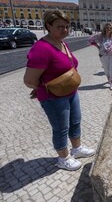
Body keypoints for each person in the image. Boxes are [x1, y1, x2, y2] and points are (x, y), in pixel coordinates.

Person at [23, 10, 95, 171]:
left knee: (75, 121)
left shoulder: (62, 43)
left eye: (67, 26)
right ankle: (63, 158)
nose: (65, 30)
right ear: (48, 26)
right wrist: (42, 87)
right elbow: (29, 80)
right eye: (60, 26)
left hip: (70, 92)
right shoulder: (41, 48)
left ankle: (76, 149)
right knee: (61, 127)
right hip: (53, 96)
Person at [88, 23, 112, 90]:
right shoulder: (100, 35)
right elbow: (90, 39)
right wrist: (97, 46)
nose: (108, 29)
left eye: (110, 28)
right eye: (107, 27)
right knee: (106, 70)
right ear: (104, 28)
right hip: (103, 55)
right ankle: (109, 79)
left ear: (111, 29)